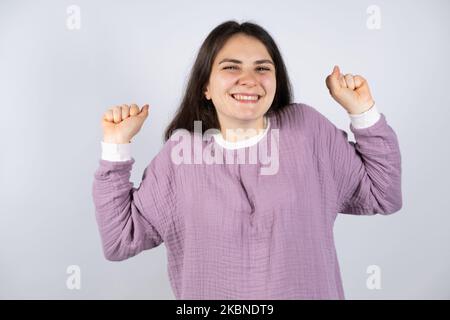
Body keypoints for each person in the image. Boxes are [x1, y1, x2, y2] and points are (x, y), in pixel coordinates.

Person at [92, 20, 402, 299]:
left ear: (276, 80)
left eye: (262, 68)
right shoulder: (180, 157)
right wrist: (116, 146)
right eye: (231, 67)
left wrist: (363, 111)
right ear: (206, 87)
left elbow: (383, 194)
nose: (249, 79)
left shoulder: (307, 130)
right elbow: (120, 240)